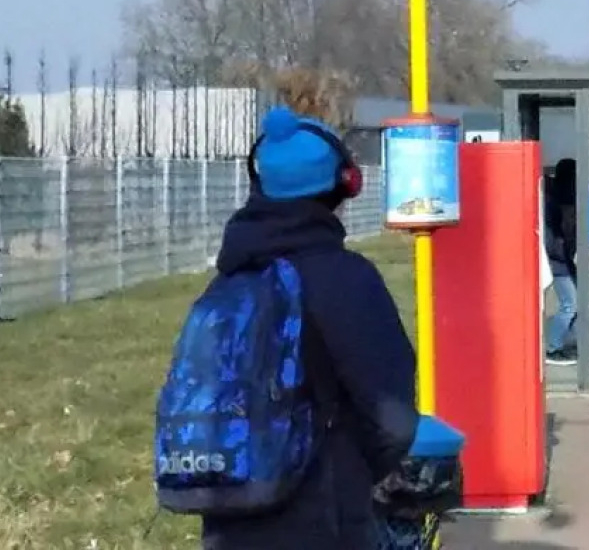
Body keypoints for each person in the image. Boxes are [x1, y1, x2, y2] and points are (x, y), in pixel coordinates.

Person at [158, 105, 420, 550]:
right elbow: (392, 419)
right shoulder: (346, 278)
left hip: (229, 519)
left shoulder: (230, 279)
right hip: (325, 517)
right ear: (345, 183)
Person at [543, 158, 579, 366]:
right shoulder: (559, 201)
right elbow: (554, 234)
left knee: (574, 303)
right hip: (560, 261)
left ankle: (565, 340)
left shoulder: (552, 196)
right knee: (570, 303)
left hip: (562, 259)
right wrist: (565, 251)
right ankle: (552, 346)